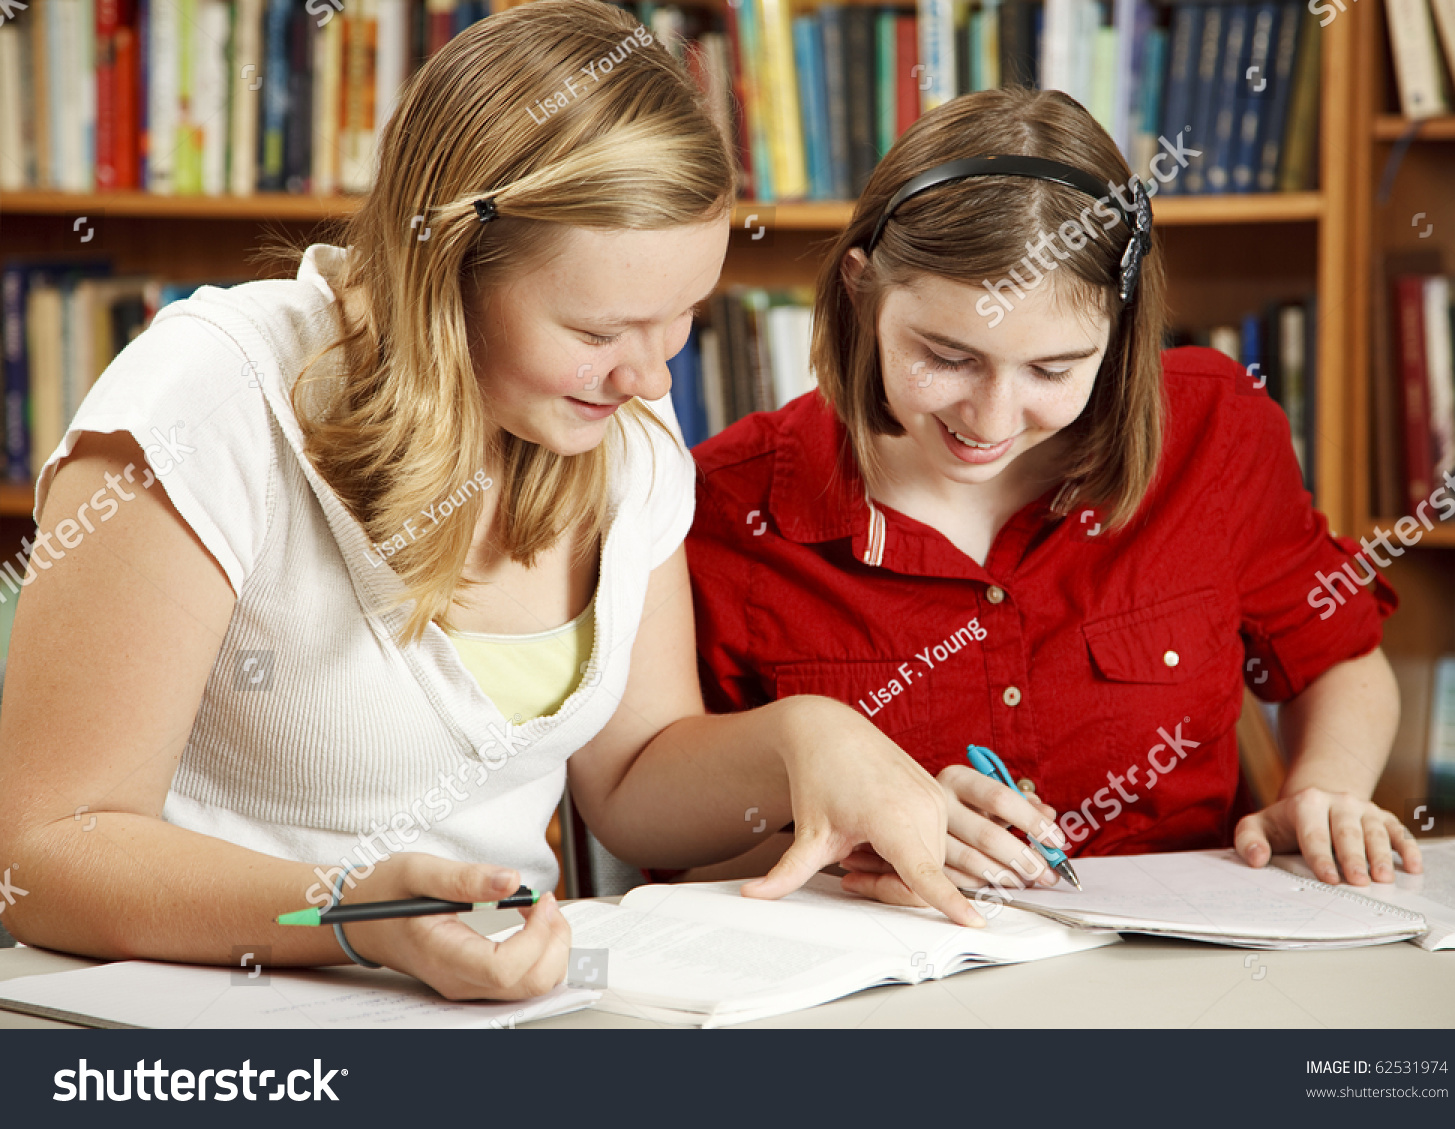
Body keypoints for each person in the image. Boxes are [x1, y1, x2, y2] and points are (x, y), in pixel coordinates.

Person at [0, 0, 988, 1004]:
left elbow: (635, 781)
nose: (651, 380)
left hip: (499, 1016)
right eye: (602, 329)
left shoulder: (623, 450)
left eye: (683, 317)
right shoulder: (210, 404)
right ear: (447, 272)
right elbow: (46, 857)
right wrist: (362, 911)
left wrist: (811, 744)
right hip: (195, 1029)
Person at [686, 86, 1423, 907]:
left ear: (1119, 331)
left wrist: (1324, 790)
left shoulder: (1215, 430)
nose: (991, 419)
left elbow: (1339, 658)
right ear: (861, 295)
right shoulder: (730, 503)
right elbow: (684, 855)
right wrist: (840, 849)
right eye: (947, 355)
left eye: (1053, 370)